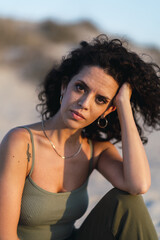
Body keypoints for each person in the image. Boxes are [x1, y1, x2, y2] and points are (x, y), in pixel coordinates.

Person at [0, 34, 159, 240]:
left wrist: (123, 105)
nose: (84, 103)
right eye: (80, 87)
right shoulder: (21, 142)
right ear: (65, 86)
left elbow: (138, 185)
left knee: (130, 202)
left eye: (100, 100)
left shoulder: (96, 151)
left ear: (108, 110)